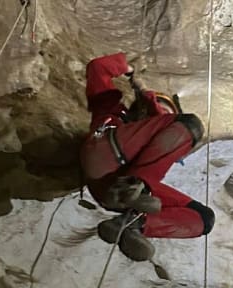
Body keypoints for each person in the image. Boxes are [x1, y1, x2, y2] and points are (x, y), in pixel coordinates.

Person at [80, 52, 215, 262]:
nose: (163, 114)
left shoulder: (152, 156)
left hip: (110, 189)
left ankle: (133, 224)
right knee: (191, 125)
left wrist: (149, 99)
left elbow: (166, 126)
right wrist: (132, 74)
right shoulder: (111, 110)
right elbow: (97, 68)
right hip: (105, 151)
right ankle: (134, 186)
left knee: (204, 218)